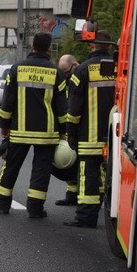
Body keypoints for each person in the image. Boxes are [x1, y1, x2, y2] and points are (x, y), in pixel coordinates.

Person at [0, 32, 68, 219]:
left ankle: (2, 204)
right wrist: (64, 132)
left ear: (32, 45)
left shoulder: (17, 69)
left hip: (19, 131)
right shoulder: (55, 72)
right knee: (41, 171)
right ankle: (35, 208)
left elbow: (7, 102)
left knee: (11, 166)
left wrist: (4, 125)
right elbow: (62, 108)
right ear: (49, 47)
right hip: (47, 133)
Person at [64, 32, 116, 228]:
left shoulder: (83, 70)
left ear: (92, 46)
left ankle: (86, 217)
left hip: (90, 135)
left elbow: (74, 107)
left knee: (89, 176)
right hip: (117, 136)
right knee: (111, 175)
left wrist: (72, 132)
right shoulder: (121, 67)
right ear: (108, 47)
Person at [53, 53, 80, 207]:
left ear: (74, 65)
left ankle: (89, 197)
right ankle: (71, 195)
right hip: (69, 125)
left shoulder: (81, 74)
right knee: (69, 162)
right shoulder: (67, 80)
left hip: (80, 126)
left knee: (82, 164)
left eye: (66, 72)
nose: (64, 76)